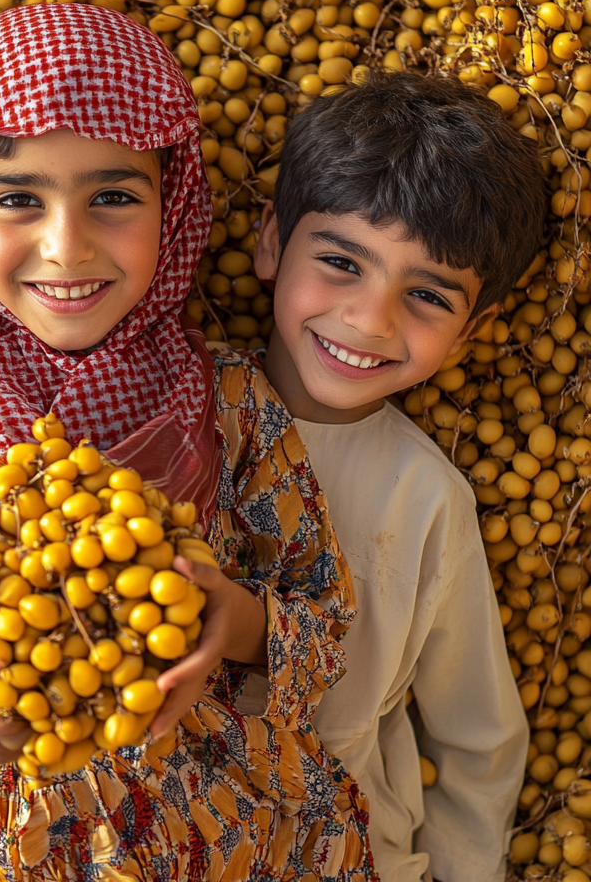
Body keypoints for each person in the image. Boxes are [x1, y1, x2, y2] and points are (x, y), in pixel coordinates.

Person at [0, 3, 376, 882]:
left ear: (172, 210)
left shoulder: (231, 400)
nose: (66, 246)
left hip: (258, 843)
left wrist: (237, 622)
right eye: (19, 199)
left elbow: (327, 621)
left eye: (114, 197)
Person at [244, 72, 541, 882]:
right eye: (342, 261)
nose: (369, 319)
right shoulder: (166, 404)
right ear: (270, 243)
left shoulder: (428, 498)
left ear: (472, 331)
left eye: (426, 296)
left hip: (346, 854)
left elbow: (479, 736)